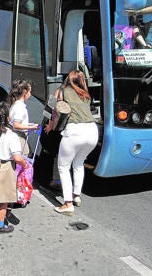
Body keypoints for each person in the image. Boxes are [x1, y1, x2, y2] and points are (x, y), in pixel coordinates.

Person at [45, 70, 98, 216]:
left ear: (68, 78)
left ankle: (67, 203)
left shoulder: (61, 90)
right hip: (92, 131)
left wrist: (49, 125)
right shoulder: (86, 95)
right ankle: (76, 196)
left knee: (63, 167)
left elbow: (51, 109)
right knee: (79, 164)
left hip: (74, 132)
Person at [0, 102, 28, 234]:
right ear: (7, 118)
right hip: (5, 167)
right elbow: (17, 157)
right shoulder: (11, 135)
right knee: (3, 199)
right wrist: (24, 165)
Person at [7, 79, 39, 155]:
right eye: (30, 91)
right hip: (19, 137)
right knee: (24, 155)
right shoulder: (20, 107)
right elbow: (16, 125)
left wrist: (29, 125)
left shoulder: (15, 104)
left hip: (15, 135)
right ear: (25, 92)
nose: (30, 94)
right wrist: (32, 127)